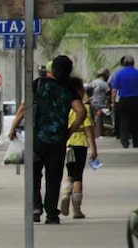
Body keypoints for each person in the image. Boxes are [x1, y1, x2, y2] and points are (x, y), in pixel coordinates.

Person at [8, 55, 86, 224]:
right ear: (69, 71)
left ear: (52, 69)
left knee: (34, 174)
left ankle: (35, 208)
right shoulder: (69, 89)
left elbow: (23, 108)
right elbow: (81, 112)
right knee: (54, 177)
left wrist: (13, 127)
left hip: (37, 139)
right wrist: (69, 132)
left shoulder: (39, 84)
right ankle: (51, 214)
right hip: (57, 141)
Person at [60, 77, 97, 219]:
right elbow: (88, 129)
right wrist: (94, 149)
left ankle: (65, 195)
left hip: (68, 144)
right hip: (80, 144)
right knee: (78, 176)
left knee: (69, 172)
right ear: (80, 91)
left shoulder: (66, 106)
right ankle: (76, 209)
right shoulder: (84, 107)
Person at [110, 55, 138, 148]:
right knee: (135, 121)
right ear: (133, 63)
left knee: (124, 121)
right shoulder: (137, 73)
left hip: (124, 99)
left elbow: (114, 89)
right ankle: (136, 141)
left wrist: (113, 102)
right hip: (136, 99)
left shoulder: (119, 74)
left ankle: (125, 142)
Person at [89, 68, 110, 138]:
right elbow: (108, 94)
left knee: (92, 119)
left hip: (92, 102)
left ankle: (94, 133)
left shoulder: (93, 82)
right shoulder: (105, 84)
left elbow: (87, 91)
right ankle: (100, 133)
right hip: (101, 104)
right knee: (99, 119)